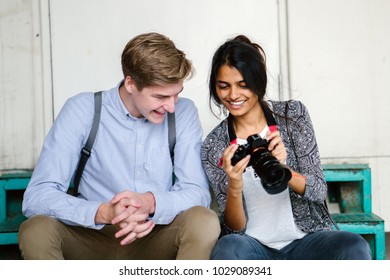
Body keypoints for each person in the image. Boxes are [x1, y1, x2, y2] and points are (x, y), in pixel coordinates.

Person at [19, 32, 220, 260]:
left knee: (204, 221)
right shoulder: (82, 110)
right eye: (160, 96)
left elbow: (197, 192)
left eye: (176, 95)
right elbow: (37, 196)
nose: (171, 106)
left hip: (155, 234)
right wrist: (103, 212)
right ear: (131, 83)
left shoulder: (183, 112)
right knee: (35, 230)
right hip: (91, 237)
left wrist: (150, 203)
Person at [201, 35, 371, 260]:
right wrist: (234, 184)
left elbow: (319, 191)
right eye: (224, 86)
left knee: (353, 246)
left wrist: (285, 169)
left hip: (306, 240)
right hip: (254, 247)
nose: (233, 95)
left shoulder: (293, 116)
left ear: (258, 82)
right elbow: (235, 230)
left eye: (243, 85)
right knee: (228, 248)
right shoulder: (214, 145)